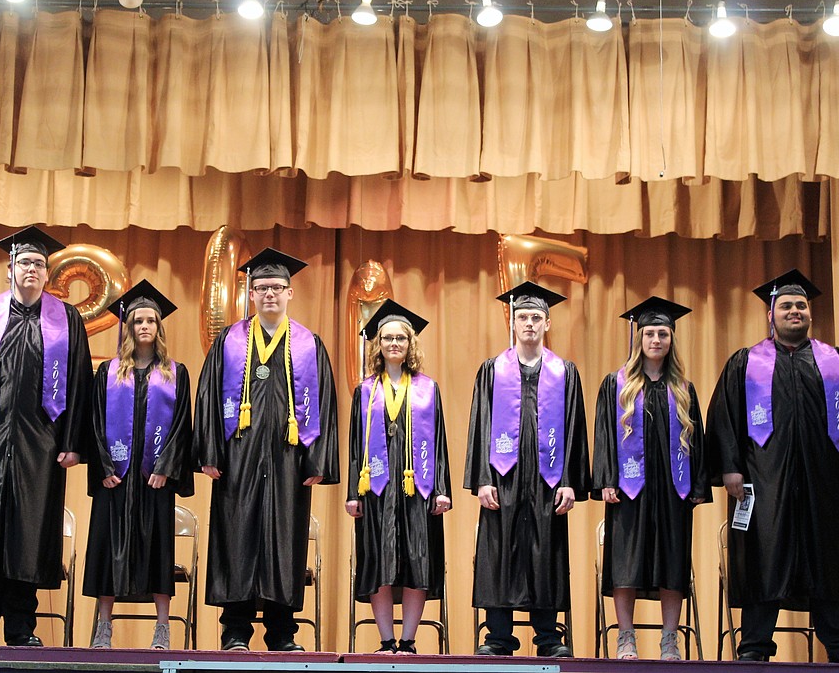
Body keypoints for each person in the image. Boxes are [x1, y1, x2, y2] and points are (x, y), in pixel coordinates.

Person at [706, 269, 839, 664]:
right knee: (763, 558)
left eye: (801, 305)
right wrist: (730, 468)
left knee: (829, 558)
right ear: (771, 315)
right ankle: (754, 646)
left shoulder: (835, 362)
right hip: (763, 484)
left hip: (828, 484)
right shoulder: (746, 363)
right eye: (785, 306)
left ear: (810, 314)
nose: (794, 311)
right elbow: (723, 419)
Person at [0, 226, 93, 647]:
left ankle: (21, 627)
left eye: (38, 264)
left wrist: (71, 441)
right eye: (24, 262)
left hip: (41, 442)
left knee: (29, 532)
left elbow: (79, 383)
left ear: (47, 273)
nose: (31, 269)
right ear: (9, 268)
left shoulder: (65, 319)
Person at [194, 248, 339, 652]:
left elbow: (324, 406)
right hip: (237, 460)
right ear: (251, 294)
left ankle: (282, 633)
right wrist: (210, 452)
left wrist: (317, 460)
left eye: (277, 287)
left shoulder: (309, 345)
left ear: (290, 293)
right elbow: (207, 397)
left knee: (284, 541)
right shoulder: (230, 340)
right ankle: (235, 630)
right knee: (236, 538)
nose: (269, 295)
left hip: (289, 462)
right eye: (262, 288)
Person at [464, 281, 590, 658]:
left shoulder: (564, 372)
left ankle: (549, 638)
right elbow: (480, 424)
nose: (530, 324)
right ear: (513, 323)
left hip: (547, 479)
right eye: (523, 317)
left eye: (537, 317)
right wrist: (482, 479)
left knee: (545, 550)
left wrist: (569, 482)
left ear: (548, 323)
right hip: (503, 478)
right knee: (499, 549)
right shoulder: (492, 370)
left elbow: (574, 429)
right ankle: (498, 637)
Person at [591, 297, 710, 660]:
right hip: (629, 489)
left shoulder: (683, 389)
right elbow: (605, 435)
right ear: (638, 338)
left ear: (671, 339)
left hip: (673, 488)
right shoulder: (617, 385)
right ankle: (625, 636)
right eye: (650, 333)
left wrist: (698, 487)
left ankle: (669, 639)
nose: (656, 339)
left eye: (663, 333)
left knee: (672, 562)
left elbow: (697, 440)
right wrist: (607, 478)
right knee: (626, 561)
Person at [84, 280, 194, 650]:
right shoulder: (108, 373)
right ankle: (104, 626)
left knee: (159, 549)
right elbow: (95, 423)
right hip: (116, 477)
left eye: (150, 320)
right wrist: (104, 468)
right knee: (106, 549)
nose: (144, 326)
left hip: (154, 479)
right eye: (137, 321)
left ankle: (162, 628)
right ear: (127, 327)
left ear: (159, 328)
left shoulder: (175, 374)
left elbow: (181, 426)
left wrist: (166, 466)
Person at [345, 300, 452, 655]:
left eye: (401, 339)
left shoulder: (427, 389)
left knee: (416, 560)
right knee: (378, 561)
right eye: (388, 338)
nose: (394, 344)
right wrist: (352, 493)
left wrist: (442, 490)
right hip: (375, 491)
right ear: (378, 344)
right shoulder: (364, 392)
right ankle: (386, 641)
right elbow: (355, 445)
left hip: (417, 491)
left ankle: (408, 641)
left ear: (410, 345)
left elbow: (439, 444)